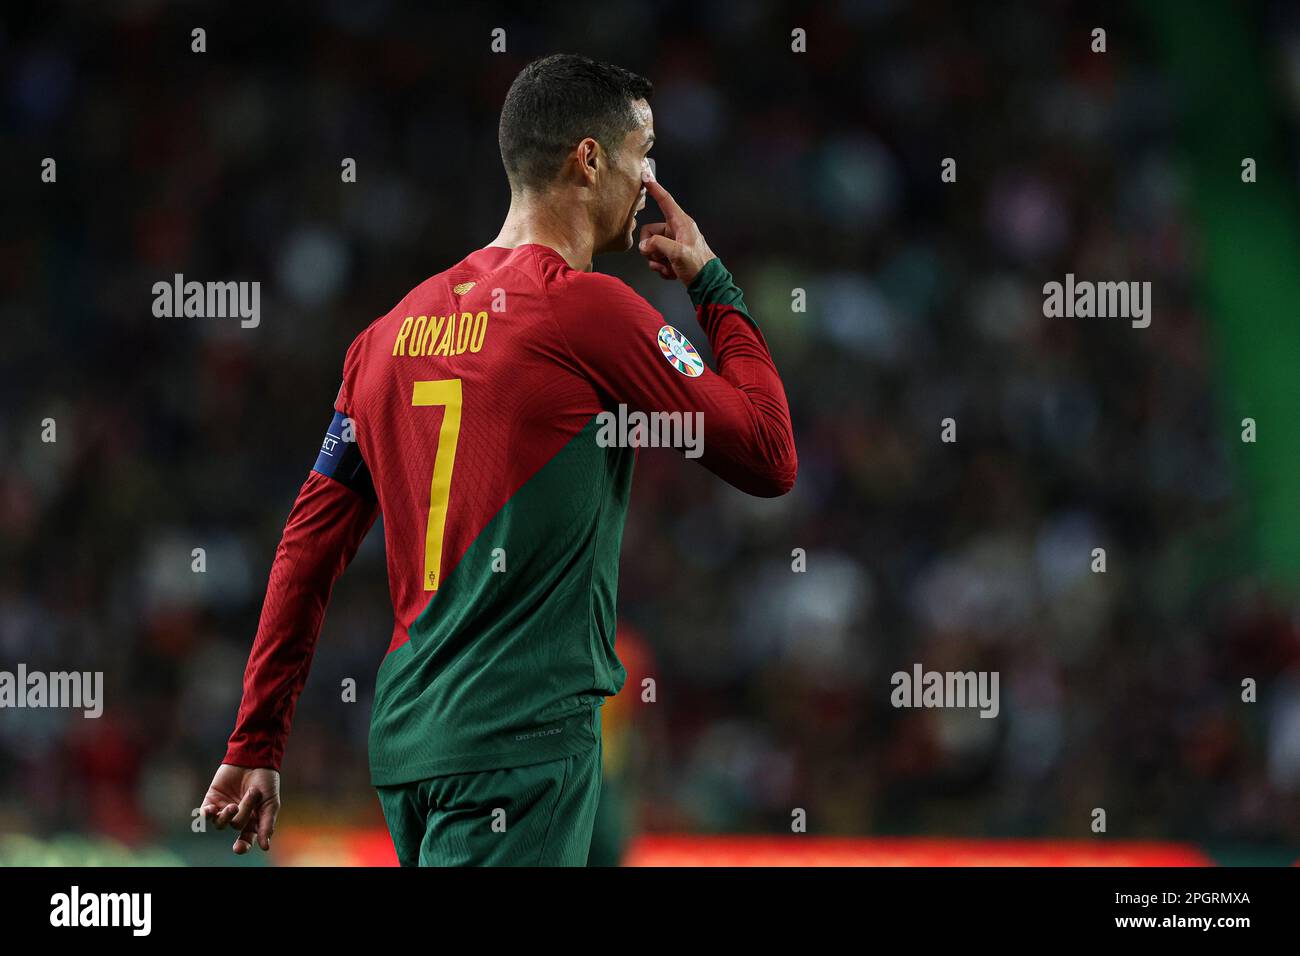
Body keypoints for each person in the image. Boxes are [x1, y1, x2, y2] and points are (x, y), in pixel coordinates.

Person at [198, 53, 797, 866]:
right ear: (590, 159)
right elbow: (769, 453)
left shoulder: (383, 339)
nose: (652, 180)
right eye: (643, 155)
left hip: (412, 745)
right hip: (519, 744)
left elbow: (306, 547)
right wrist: (714, 286)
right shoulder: (588, 311)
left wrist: (258, 738)